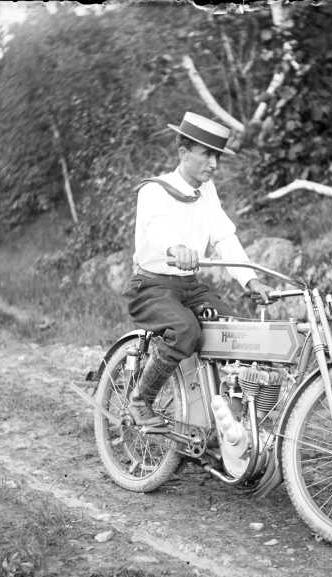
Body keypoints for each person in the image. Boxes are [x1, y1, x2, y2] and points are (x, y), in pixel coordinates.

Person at [124, 111, 274, 427]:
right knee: (186, 330)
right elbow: (155, 229)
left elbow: (224, 236)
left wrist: (250, 280)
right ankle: (141, 399)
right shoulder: (155, 189)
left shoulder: (207, 191)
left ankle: (228, 419)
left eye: (217, 156)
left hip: (190, 287)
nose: (214, 164)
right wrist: (174, 248)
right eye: (207, 154)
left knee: (236, 331)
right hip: (152, 287)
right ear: (183, 153)